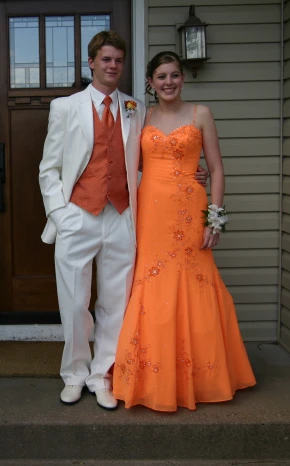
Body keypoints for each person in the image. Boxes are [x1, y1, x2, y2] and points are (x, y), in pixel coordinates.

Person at [38, 33, 207, 410]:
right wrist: (60, 214)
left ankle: (103, 376)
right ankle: (74, 374)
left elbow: (153, 157)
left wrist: (190, 176)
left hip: (121, 216)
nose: (112, 65)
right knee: (75, 302)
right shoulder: (66, 107)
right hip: (77, 215)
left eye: (118, 60)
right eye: (106, 59)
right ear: (91, 63)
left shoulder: (135, 107)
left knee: (116, 302)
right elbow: (48, 168)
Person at [112, 51, 256, 411]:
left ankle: (203, 377)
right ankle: (152, 377)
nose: (168, 82)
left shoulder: (200, 114)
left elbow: (217, 168)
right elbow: (130, 162)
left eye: (174, 75)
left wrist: (215, 219)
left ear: (182, 78)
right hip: (151, 211)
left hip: (191, 209)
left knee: (195, 282)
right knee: (152, 281)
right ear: (150, 82)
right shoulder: (141, 116)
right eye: (161, 77)